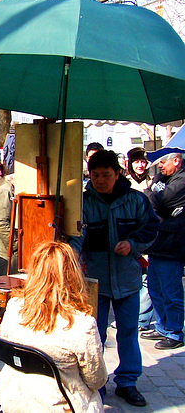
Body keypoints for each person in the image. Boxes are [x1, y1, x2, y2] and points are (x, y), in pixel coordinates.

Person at [70, 149, 158, 407]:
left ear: (117, 174)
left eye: (106, 175)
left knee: (129, 332)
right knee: (94, 334)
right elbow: (75, 237)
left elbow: (152, 229)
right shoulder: (83, 203)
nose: (100, 180)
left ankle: (128, 381)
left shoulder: (136, 201)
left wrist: (133, 244)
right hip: (94, 282)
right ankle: (96, 383)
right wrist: (72, 257)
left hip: (128, 280)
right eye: (95, 175)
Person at [0, 242, 108, 412]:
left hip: (14, 399)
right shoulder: (82, 324)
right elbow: (96, 380)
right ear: (73, 274)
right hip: (60, 406)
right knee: (94, 395)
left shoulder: (14, 308)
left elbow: (6, 344)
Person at [142, 152, 185, 350]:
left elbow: (161, 201)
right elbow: (150, 198)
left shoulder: (182, 180)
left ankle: (174, 332)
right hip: (157, 243)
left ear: (176, 161)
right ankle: (161, 326)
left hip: (172, 245)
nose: (160, 166)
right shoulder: (164, 178)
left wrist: (154, 194)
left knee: (171, 292)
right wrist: (154, 191)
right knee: (156, 290)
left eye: (163, 162)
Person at [126, 147, 153, 331]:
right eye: (136, 162)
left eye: (143, 162)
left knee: (148, 280)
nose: (140, 165)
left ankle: (141, 319)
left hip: (149, 237)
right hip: (130, 238)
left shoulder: (153, 182)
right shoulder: (126, 184)